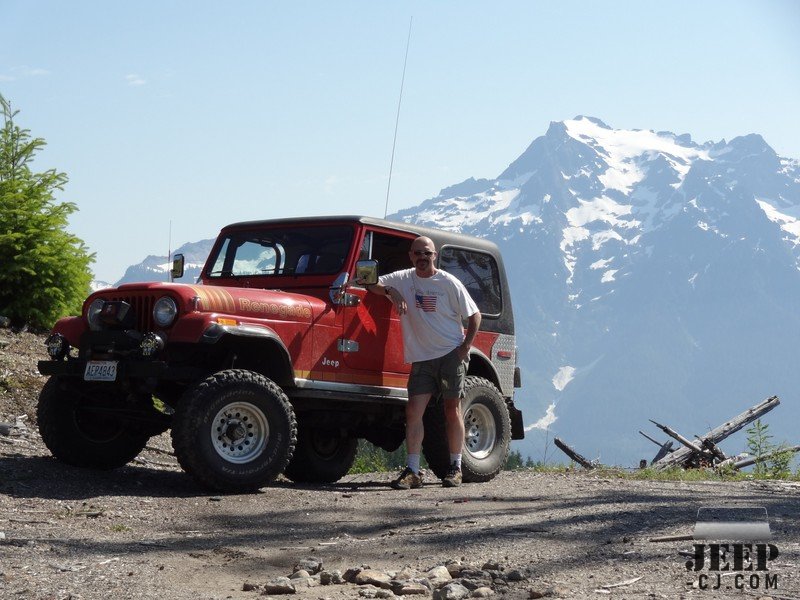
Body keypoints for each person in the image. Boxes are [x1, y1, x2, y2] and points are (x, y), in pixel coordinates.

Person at [364, 236, 481, 488]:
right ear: (411, 255)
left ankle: (455, 467)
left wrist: (465, 348)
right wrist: (390, 291)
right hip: (421, 359)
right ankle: (413, 471)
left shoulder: (449, 283)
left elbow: (475, 315)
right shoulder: (404, 278)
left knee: (452, 410)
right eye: (417, 253)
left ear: (434, 255)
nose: (422, 258)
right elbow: (368, 282)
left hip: (450, 354)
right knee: (413, 412)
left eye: (427, 253)